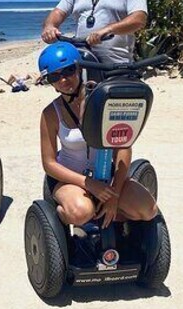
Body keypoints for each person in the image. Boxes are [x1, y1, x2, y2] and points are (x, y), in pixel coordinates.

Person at [38, 42, 157, 229]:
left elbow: (123, 147)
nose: (63, 80)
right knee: (81, 212)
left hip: (106, 176)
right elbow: (49, 164)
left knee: (148, 210)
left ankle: (111, 217)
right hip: (70, 179)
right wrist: (89, 184)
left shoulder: (104, 101)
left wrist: (115, 195)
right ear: (50, 82)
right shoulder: (50, 114)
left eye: (68, 71)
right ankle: (62, 214)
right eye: (55, 76)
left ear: (79, 69)